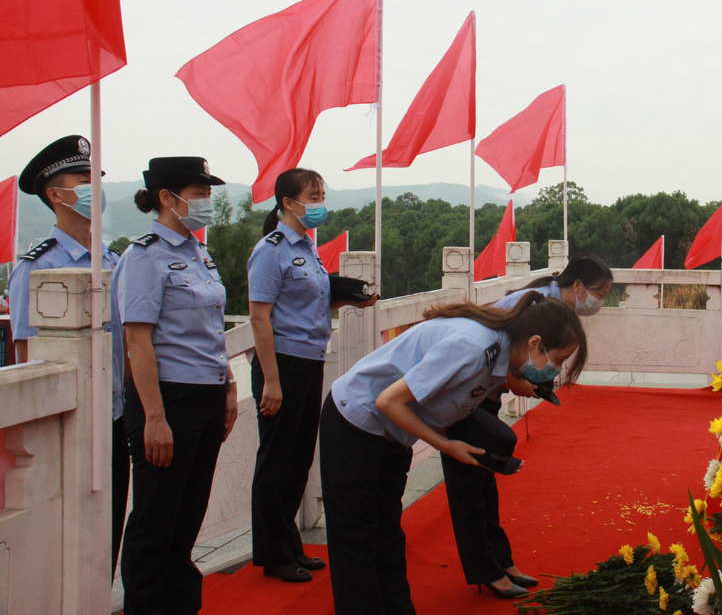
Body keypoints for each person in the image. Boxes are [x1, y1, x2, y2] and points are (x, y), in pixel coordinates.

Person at [320, 294, 588, 614]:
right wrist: (446, 446)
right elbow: (388, 402)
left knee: (388, 536)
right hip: (357, 421)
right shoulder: (473, 348)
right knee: (357, 541)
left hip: (393, 432)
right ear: (535, 343)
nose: (555, 370)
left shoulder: (498, 353)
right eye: (558, 359)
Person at [442, 254, 613, 597]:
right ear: (577, 286)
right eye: (600, 292)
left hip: (485, 395)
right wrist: (515, 381)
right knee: (471, 488)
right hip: (466, 398)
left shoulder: (552, 305)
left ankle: (501, 562)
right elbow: (488, 351)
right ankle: (486, 570)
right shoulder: (533, 305)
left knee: (486, 484)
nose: (600, 301)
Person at [114, 157, 238, 615]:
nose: (206, 201)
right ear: (168, 198)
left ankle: (181, 605)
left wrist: (227, 386)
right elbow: (138, 339)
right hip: (167, 397)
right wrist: (154, 417)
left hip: (206, 393)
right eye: (199, 191)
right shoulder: (145, 256)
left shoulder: (197, 251)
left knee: (188, 514)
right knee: (156, 518)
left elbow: (210, 329)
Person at [7, 135, 130, 576]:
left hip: (113, 416)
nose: (93, 188)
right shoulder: (37, 266)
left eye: (96, 178)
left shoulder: (112, 260)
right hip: (69, 424)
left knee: (111, 524)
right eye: (83, 180)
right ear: (56, 195)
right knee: (70, 540)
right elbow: (26, 352)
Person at [248, 168, 375, 582]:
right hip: (281, 364)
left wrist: (350, 301)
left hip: (308, 360)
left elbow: (306, 305)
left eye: (322, 195)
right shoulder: (271, 250)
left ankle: (290, 547)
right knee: (276, 459)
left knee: (298, 457)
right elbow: (259, 316)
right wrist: (271, 380)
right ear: (287, 202)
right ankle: (273, 553)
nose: (319, 203)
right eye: (312, 196)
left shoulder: (307, 246)